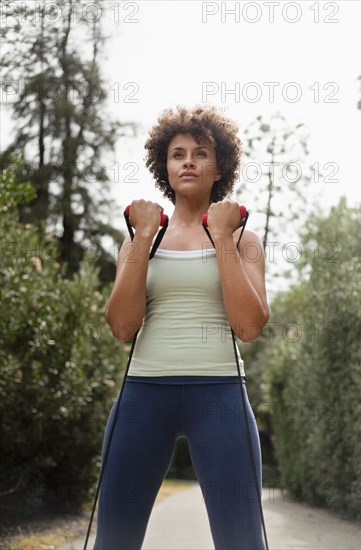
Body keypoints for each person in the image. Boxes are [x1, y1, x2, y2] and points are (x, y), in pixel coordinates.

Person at [94, 105, 270, 550]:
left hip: (221, 394)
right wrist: (140, 239)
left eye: (200, 153)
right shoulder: (140, 237)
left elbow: (249, 327)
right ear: (164, 166)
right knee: (114, 539)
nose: (188, 161)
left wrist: (224, 237)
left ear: (219, 166)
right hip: (143, 395)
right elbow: (122, 326)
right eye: (177, 154)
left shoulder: (243, 238)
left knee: (243, 540)